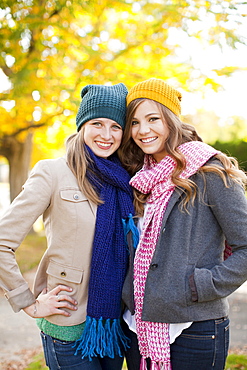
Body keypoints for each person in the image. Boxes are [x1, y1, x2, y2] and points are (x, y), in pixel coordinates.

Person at [0, 83, 138, 370]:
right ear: (82, 125)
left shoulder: (128, 180)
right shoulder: (53, 172)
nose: (106, 134)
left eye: (115, 126)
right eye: (97, 123)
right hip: (67, 324)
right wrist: (30, 303)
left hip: (115, 327)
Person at [118, 78, 247, 370]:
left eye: (153, 119)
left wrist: (199, 286)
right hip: (138, 325)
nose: (143, 130)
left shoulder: (210, 172)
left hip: (196, 327)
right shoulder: (140, 178)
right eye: (135, 122)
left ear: (172, 120)